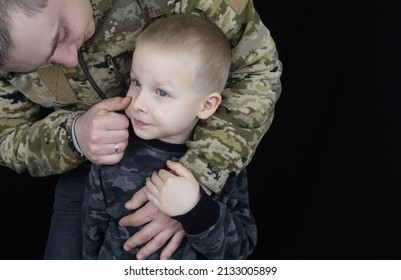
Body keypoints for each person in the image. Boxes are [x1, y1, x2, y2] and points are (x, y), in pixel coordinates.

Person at [0, 0, 282, 259]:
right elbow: (6, 137)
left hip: (206, 152)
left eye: (61, 34)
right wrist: (73, 136)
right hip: (91, 173)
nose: (70, 60)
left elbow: (256, 71)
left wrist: (197, 187)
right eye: (41, 63)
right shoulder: (102, 175)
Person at [83, 14, 256, 259]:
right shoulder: (114, 148)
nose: (139, 103)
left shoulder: (223, 163)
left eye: (162, 92)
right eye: (136, 82)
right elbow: (92, 230)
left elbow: (239, 250)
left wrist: (195, 210)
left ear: (206, 105)